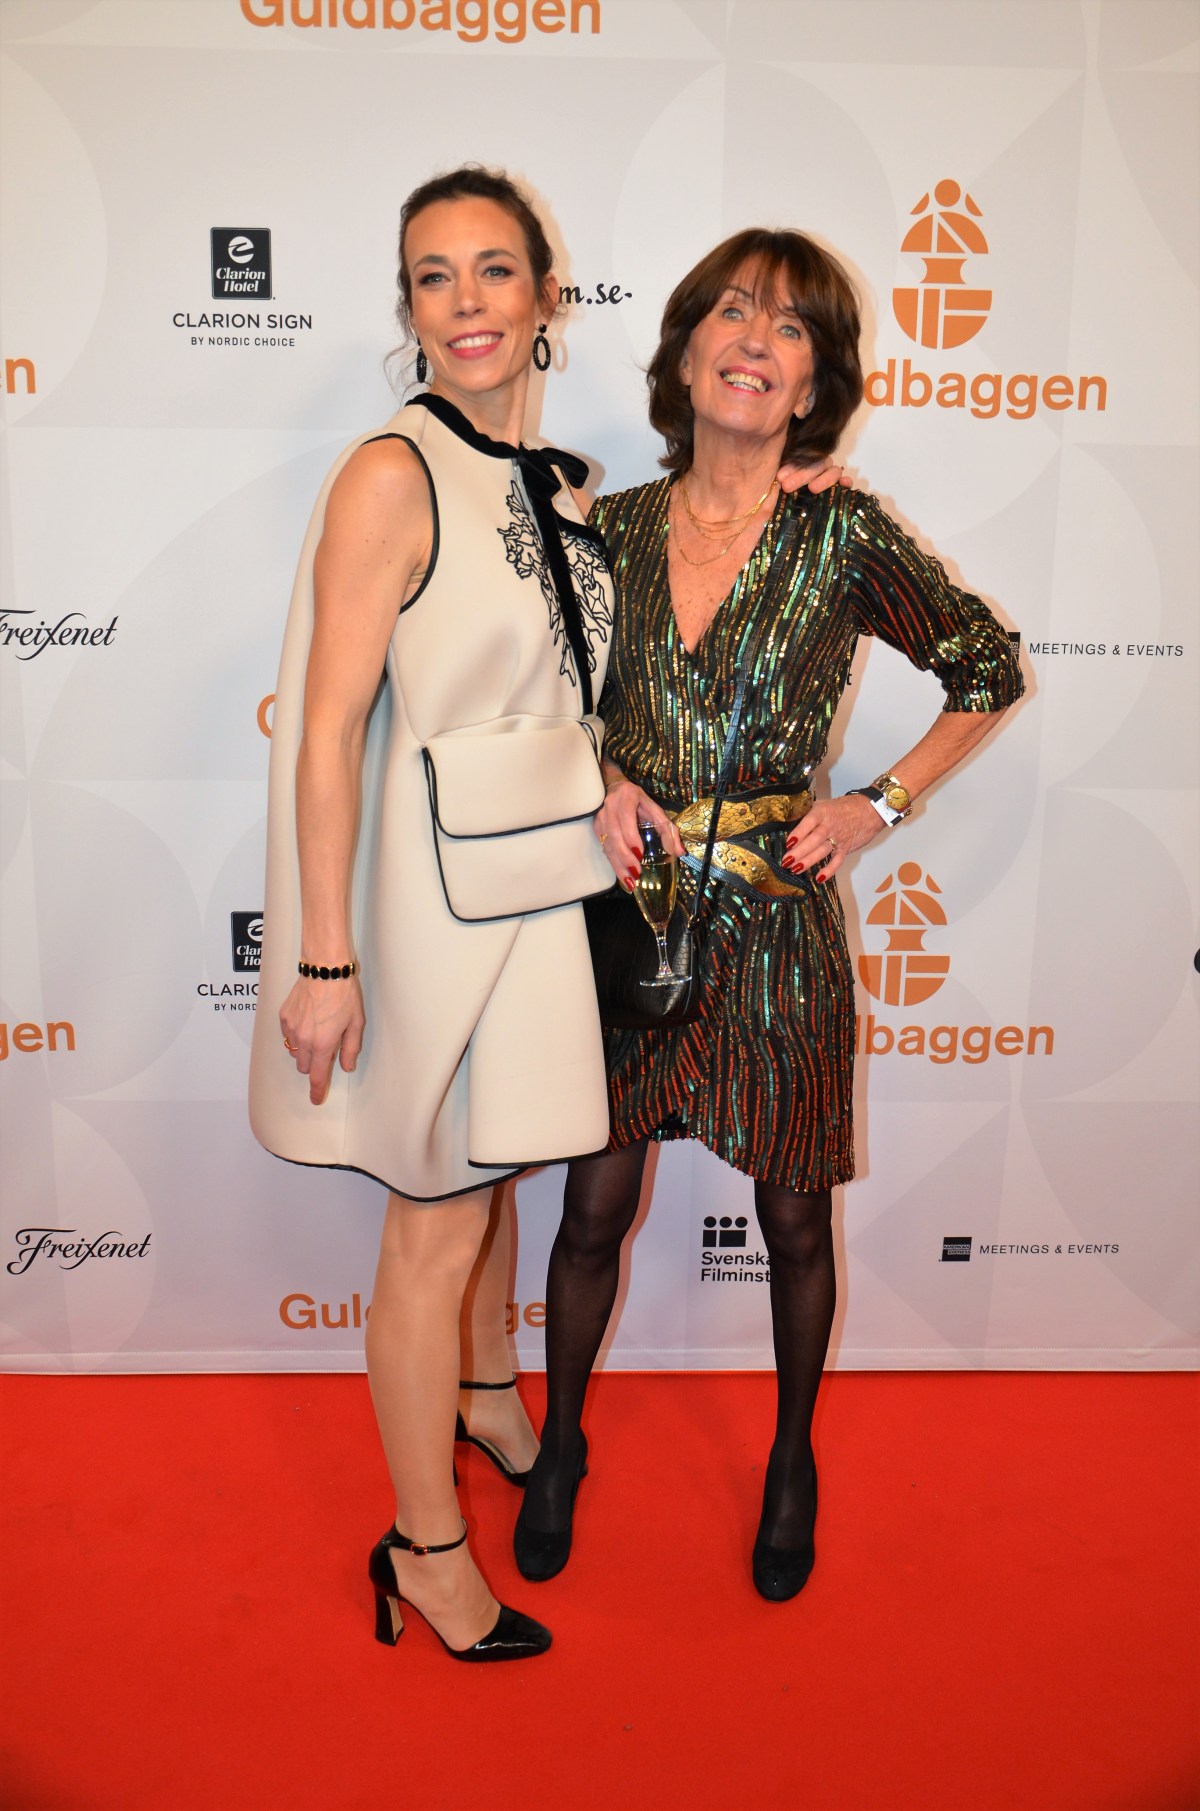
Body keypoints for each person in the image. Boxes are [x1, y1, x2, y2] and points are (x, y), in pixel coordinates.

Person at [514, 227, 1025, 1599]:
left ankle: (791, 1455)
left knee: (795, 1222)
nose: (755, 339)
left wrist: (881, 806)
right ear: (686, 353)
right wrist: (602, 775)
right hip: (631, 914)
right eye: (733, 312)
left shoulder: (839, 530)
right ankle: (560, 1444)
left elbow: (986, 666)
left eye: (790, 327)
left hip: (781, 925)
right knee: (591, 1210)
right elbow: (534, 698)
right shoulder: (606, 531)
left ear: (812, 383)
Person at [249, 166, 622, 1661]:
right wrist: (324, 957)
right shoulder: (392, 473)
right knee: (438, 1217)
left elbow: (557, 694)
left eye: (493, 270)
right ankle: (425, 1550)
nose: (466, 303)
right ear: (407, 310)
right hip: (427, 906)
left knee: (500, 1159)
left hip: (536, 883)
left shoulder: (563, 485)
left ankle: (486, 1397)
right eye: (432, 276)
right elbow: (326, 728)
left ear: (546, 293)